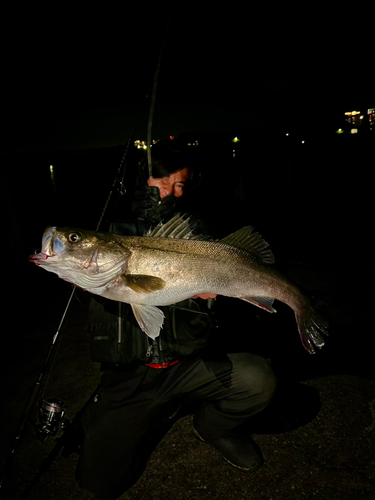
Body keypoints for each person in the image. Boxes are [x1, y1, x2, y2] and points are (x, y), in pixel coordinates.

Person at [75, 140, 278, 500]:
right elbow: (94, 278)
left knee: (258, 380)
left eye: (180, 184)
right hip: (132, 375)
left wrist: (210, 298)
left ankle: (212, 427)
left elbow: (214, 282)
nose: (170, 191)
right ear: (142, 180)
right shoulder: (111, 230)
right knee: (99, 483)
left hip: (186, 365)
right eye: (161, 180)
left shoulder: (193, 231)